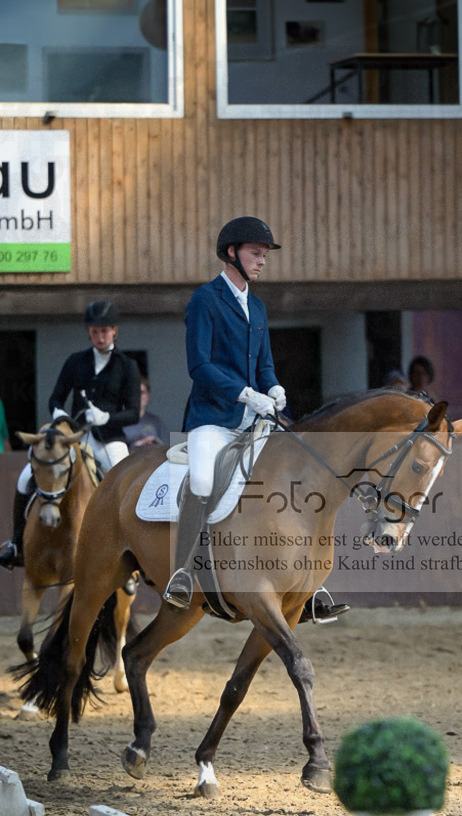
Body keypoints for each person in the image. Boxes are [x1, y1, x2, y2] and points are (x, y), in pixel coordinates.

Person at [163, 217, 348, 623]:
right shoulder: (205, 300)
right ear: (232, 253)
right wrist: (245, 394)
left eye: (264, 255)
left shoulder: (258, 306)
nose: (262, 261)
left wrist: (274, 387)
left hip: (257, 416)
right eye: (256, 253)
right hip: (213, 417)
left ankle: (308, 585)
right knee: (202, 481)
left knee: (296, 474)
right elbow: (200, 366)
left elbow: (263, 365)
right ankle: (183, 573)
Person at [0, 300, 141, 571]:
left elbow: (133, 412)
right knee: (26, 476)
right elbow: (56, 397)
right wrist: (59, 414)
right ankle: (17, 544)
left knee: (122, 477)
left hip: (109, 438)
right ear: (89, 332)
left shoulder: (127, 366)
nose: (100, 336)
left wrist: (106, 417)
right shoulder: (76, 361)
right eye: (95, 331)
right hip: (73, 436)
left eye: (105, 331)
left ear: (114, 331)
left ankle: (132, 547)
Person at [124, 377, 171, 450]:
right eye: (134, 392)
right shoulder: (119, 422)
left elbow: (167, 447)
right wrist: (138, 444)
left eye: (142, 392)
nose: (138, 396)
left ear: (148, 396)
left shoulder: (156, 421)